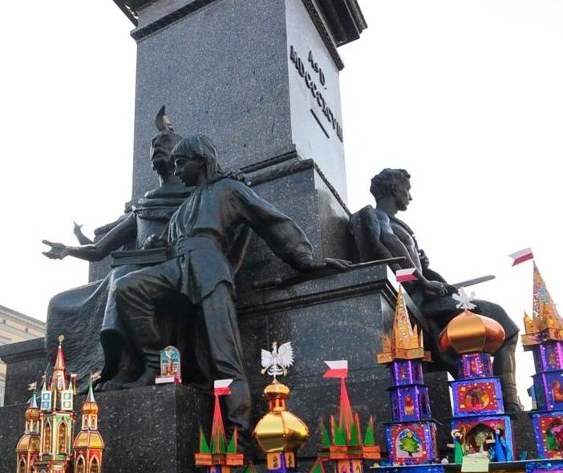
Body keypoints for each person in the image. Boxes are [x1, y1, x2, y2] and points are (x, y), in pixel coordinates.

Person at [112, 134, 347, 435]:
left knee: (225, 355)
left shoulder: (229, 189)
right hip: (176, 268)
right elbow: (171, 241)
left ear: (201, 160)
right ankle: (155, 362)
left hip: (210, 269)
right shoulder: (185, 206)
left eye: (182, 163)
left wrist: (304, 259)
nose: (178, 170)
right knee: (127, 288)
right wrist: (161, 241)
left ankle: (239, 433)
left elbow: (271, 221)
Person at [349, 168, 522, 411]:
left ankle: (499, 397)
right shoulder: (375, 216)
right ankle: (508, 400)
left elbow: (400, 253)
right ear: (395, 189)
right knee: (503, 324)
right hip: (416, 300)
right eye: (407, 190)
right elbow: (385, 244)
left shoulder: (400, 224)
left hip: (425, 295)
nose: (410, 196)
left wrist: (425, 269)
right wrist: (422, 280)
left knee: (499, 326)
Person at [41, 109, 191, 388]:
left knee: (122, 276)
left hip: (166, 273)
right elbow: (99, 250)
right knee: (59, 303)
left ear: (182, 157)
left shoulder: (193, 198)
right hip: (125, 273)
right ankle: (71, 379)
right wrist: (69, 249)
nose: (158, 147)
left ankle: (124, 367)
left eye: (165, 144)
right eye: (154, 146)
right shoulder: (143, 207)